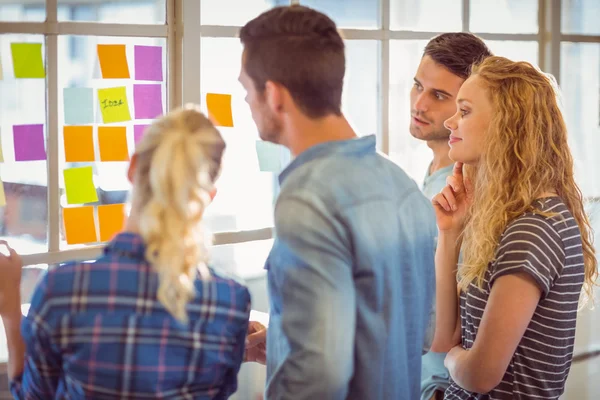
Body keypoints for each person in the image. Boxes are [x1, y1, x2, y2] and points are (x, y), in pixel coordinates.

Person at [239, 5, 436, 399]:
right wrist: (284, 343)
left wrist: (299, 361)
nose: (246, 101)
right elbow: (417, 334)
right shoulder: (403, 185)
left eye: (247, 89)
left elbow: (319, 376)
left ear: (274, 95)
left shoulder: (308, 200)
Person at [0, 107, 251, 399]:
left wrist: (10, 310)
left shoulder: (63, 291)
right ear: (208, 197)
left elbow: (31, 396)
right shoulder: (231, 302)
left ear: (132, 168)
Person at [431, 56, 597, 399]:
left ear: (508, 123)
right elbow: (443, 338)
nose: (450, 122)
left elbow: (479, 375)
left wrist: (452, 361)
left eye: (464, 111)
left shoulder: (533, 228)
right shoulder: (506, 219)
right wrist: (450, 234)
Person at [410, 33, 492, 400]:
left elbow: (460, 319)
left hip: (439, 386)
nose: (419, 104)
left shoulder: (463, 195)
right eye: (417, 86)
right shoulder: (433, 175)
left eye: (440, 96)